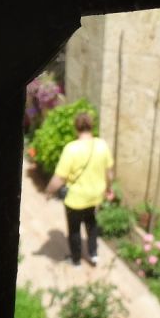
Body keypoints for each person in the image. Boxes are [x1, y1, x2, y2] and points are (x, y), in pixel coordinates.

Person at [43, 112, 114, 267]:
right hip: (95, 196)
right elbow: (109, 173)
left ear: (76, 128)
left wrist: (48, 191)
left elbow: (59, 178)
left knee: (74, 230)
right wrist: (108, 188)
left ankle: (76, 260)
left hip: (75, 199)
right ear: (91, 126)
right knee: (92, 224)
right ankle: (93, 254)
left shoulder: (71, 149)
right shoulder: (102, 145)